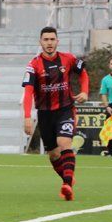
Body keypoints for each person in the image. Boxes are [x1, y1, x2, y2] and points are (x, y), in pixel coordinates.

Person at [22, 26, 89, 201]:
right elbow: (28, 92)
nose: (49, 43)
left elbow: (83, 74)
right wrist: (27, 116)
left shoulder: (68, 59)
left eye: (52, 39)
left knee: (64, 142)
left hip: (65, 109)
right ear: (41, 42)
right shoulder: (34, 65)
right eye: (46, 39)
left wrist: (85, 91)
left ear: (57, 41)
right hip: (44, 114)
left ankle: (66, 184)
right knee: (53, 154)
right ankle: (68, 178)